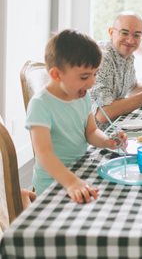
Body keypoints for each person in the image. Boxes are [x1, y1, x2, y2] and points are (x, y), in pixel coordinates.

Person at [26, 29, 127, 204]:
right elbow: (44, 154)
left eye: (95, 74)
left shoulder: (83, 95)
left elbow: (91, 131)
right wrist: (71, 182)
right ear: (57, 75)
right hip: (54, 182)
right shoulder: (41, 104)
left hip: (81, 169)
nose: (92, 82)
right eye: (84, 76)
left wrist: (107, 141)